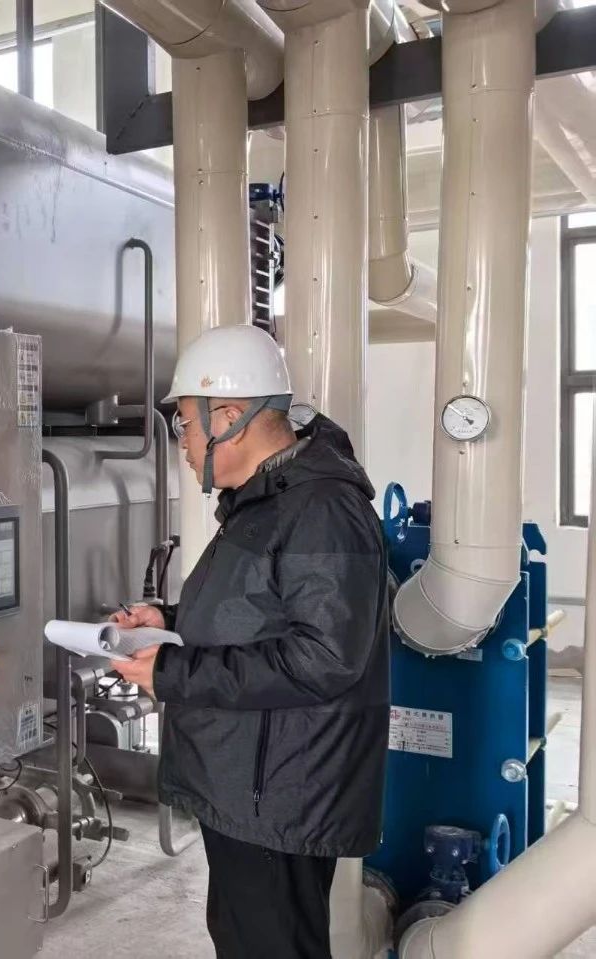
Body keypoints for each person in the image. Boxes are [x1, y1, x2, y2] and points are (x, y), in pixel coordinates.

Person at [110, 324, 390, 959]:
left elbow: (325, 657)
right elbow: (258, 612)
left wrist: (174, 673)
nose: (183, 443)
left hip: (280, 794)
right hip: (253, 783)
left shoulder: (320, 509)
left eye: (185, 424)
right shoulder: (270, 500)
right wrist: (167, 619)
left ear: (230, 418)